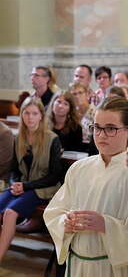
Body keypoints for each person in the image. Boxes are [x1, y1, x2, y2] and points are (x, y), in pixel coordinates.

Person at [44, 96, 128, 277]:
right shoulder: (79, 168)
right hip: (78, 265)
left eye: (110, 129)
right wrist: (64, 223)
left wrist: (106, 225)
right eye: (97, 127)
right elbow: (55, 211)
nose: (101, 135)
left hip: (116, 269)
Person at [0, 97, 62, 262]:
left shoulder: (52, 139)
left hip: (43, 188)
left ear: (41, 116)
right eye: (26, 113)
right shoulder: (18, 137)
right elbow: (13, 169)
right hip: (23, 187)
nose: (30, 117)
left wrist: (25, 186)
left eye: (34, 113)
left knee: (10, 213)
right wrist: (15, 184)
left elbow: (54, 176)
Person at [69, 82, 96, 151]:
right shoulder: (70, 114)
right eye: (74, 94)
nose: (77, 96)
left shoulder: (96, 113)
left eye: (80, 93)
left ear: (87, 94)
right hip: (74, 150)